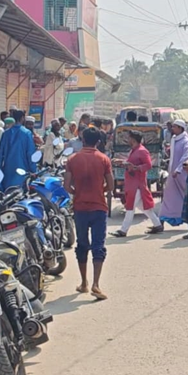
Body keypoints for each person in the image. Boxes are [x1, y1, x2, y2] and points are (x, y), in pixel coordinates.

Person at [64, 127, 113, 301]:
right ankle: (96, 285)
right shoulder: (104, 159)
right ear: (98, 142)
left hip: (80, 208)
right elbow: (111, 185)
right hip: (99, 207)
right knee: (98, 245)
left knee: (82, 244)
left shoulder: (72, 159)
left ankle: (84, 282)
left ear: (82, 139)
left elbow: (66, 185)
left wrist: (77, 193)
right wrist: (100, 190)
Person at [111, 130, 163, 237]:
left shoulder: (142, 151)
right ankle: (157, 224)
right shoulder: (134, 150)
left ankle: (123, 230)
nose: (128, 139)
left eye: (129, 138)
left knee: (130, 208)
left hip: (137, 185)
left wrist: (136, 168)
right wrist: (121, 162)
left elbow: (148, 165)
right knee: (144, 208)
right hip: (132, 183)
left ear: (133, 139)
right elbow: (131, 163)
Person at [159, 120, 188, 227]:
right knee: (168, 197)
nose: (172, 129)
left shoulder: (186, 141)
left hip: (181, 174)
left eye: (174, 127)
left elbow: (186, 157)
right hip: (172, 174)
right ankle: (160, 222)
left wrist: (178, 170)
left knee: (185, 198)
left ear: (180, 128)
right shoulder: (174, 139)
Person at [0, 110, 37, 190]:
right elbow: (30, 153)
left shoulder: (6, 133)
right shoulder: (27, 133)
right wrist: (33, 170)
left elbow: (0, 153)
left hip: (8, 168)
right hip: (23, 168)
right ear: (22, 118)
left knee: (8, 193)